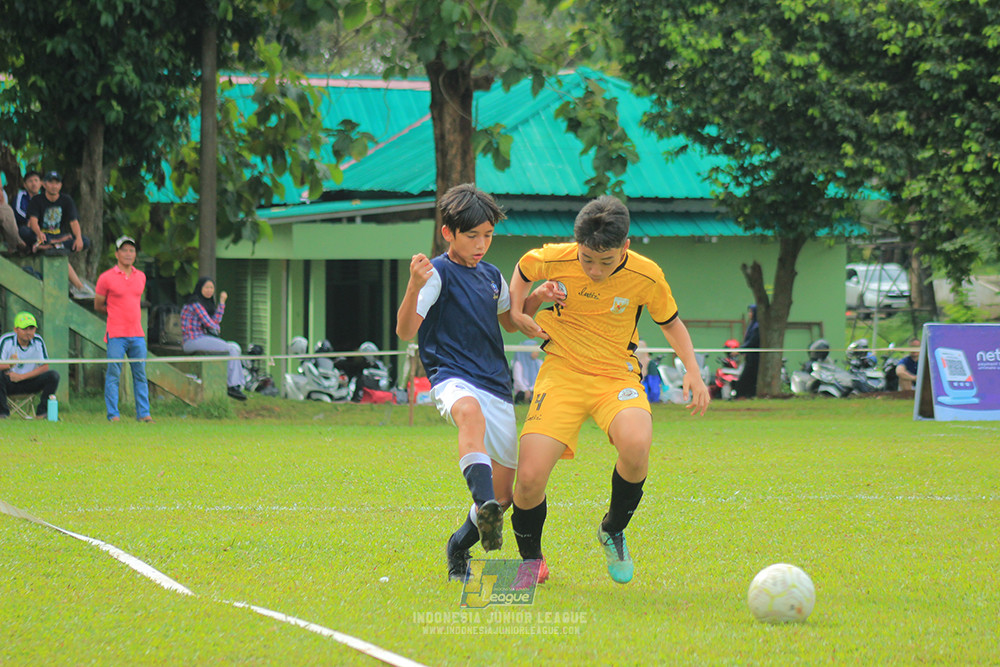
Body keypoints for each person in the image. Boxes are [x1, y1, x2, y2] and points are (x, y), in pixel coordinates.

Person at [508, 195, 710, 587]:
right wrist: (518, 310)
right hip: (561, 373)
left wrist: (694, 373)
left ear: (626, 248)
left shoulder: (647, 275)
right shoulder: (555, 257)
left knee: (637, 444)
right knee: (529, 478)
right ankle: (532, 559)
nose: (595, 270)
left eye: (607, 261)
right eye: (587, 260)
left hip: (616, 375)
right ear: (576, 245)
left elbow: (670, 322)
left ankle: (612, 530)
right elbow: (522, 268)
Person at [395, 183, 552, 583]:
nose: (481, 244)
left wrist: (536, 299)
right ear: (448, 233)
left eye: (488, 235)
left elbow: (507, 319)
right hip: (452, 376)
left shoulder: (492, 276)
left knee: (504, 497)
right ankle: (482, 503)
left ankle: (459, 545)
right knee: (469, 414)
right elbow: (405, 329)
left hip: (496, 384)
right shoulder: (435, 274)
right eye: (472, 236)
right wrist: (414, 283)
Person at [95, 235, 152, 423]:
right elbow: (99, 305)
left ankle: (144, 414)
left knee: (140, 375)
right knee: (113, 374)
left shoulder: (140, 276)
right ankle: (113, 415)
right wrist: (114, 312)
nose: (128, 254)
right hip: (116, 334)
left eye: (131, 250)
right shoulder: (106, 278)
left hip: (137, 334)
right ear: (116, 254)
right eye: (124, 250)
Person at [25, 171, 94, 298]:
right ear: (44, 184)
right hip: (42, 237)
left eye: (57, 183)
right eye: (50, 182)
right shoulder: (37, 200)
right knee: (24, 232)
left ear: (60, 185)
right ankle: (79, 287)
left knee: (85, 241)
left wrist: (78, 238)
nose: (54, 186)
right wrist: (39, 233)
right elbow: (33, 222)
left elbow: (74, 222)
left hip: (59, 238)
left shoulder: (66, 200)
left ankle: (52, 246)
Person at [181, 276, 247, 401]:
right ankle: (233, 386)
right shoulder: (195, 303)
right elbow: (209, 323)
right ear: (200, 288)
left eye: (211, 288)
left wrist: (222, 302)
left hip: (201, 338)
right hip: (192, 340)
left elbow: (215, 321)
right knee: (230, 349)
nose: (209, 290)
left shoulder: (206, 303)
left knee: (234, 348)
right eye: (206, 287)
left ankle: (235, 385)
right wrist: (215, 326)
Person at [0, 311, 60, 419]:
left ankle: (42, 412)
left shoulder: (38, 341)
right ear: (16, 329)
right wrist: (9, 365)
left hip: (30, 381)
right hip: (9, 382)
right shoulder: (6, 341)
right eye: (24, 329)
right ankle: (3, 413)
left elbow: (45, 366)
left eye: (31, 329)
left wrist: (21, 377)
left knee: (53, 375)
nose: (28, 332)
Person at [732, 305, 760, 398]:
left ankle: (741, 395)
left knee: (746, 378)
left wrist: (740, 350)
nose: (749, 314)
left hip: (755, 358)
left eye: (751, 312)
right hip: (749, 357)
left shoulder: (757, 326)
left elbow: (752, 341)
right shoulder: (752, 325)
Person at [13, 170, 42, 245]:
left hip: (41, 226)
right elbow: (17, 211)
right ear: (25, 185)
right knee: (24, 232)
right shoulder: (21, 196)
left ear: (41, 183)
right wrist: (30, 220)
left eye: (36, 180)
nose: (34, 184)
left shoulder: (44, 197)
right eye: (30, 181)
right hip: (26, 226)